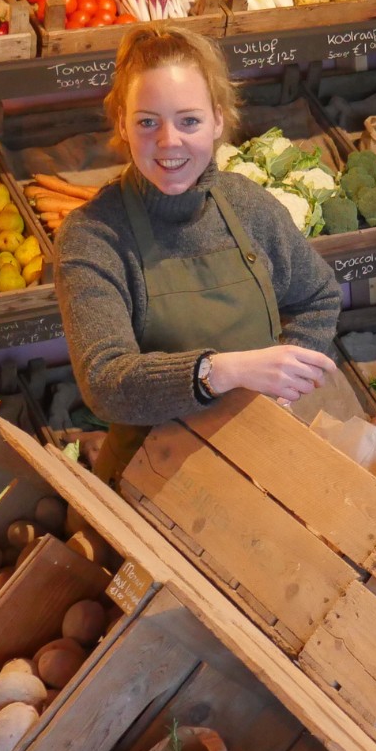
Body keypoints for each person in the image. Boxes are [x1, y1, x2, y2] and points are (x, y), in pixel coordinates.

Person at [55, 27, 342, 482]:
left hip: (255, 461)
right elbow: (105, 383)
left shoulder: (248, 206)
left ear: (218, 121)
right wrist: (221, 371)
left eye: (188, 121)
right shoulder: (93, 235)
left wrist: (289, 377)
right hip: (146, 483)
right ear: (122, 126)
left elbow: (319, 295)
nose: (169, 141)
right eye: (148, 121)